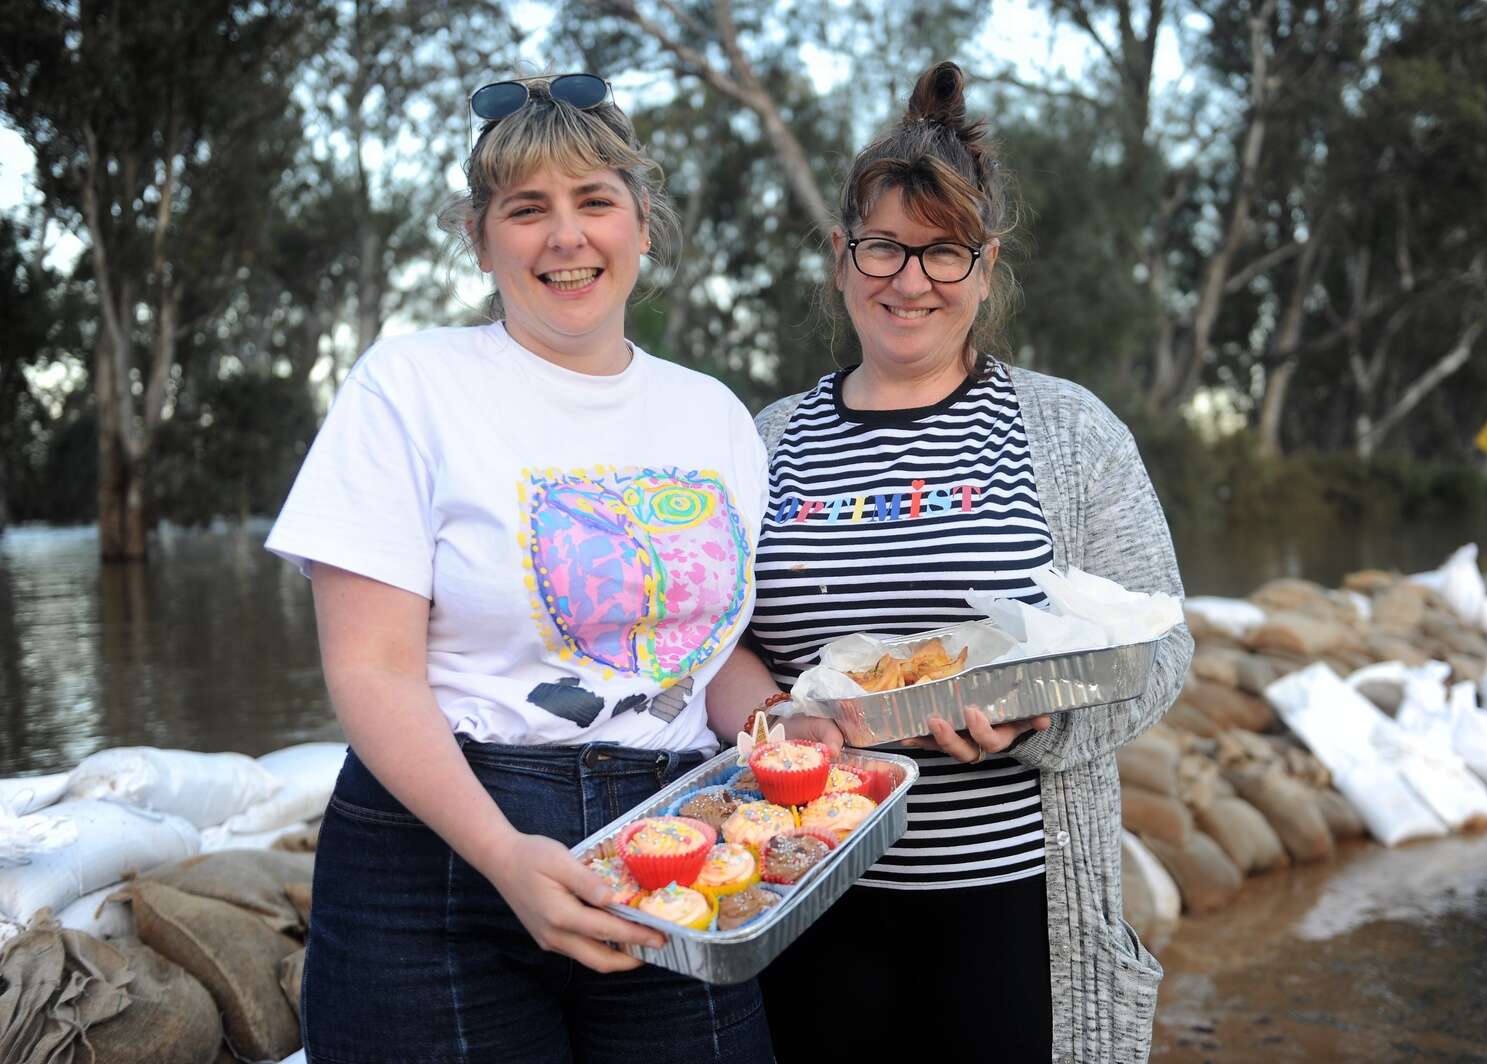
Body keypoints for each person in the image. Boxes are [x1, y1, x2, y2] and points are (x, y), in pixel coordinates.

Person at [266, 73, 774, 1064]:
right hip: (437, 866)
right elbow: (371, 668)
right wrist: (502, 852)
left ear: (642, 222)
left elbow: (702, 658)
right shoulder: (408, 386)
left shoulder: (714, 416)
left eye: (595, 200)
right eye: (527, 208)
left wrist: (784, 724)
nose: (565, 236)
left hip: (673, 844)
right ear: (479, 236)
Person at [704, 62, 1193, 1063]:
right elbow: (712, 642)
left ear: (985, 264)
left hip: (1012, 900)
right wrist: (779, 722)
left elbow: (1163, 643)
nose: (910, 279)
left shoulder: (1068, 432)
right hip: (805, 890)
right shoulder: (766, 441)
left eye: (943, 252)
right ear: (841, 255)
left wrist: (1045, 717)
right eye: (884, 246)